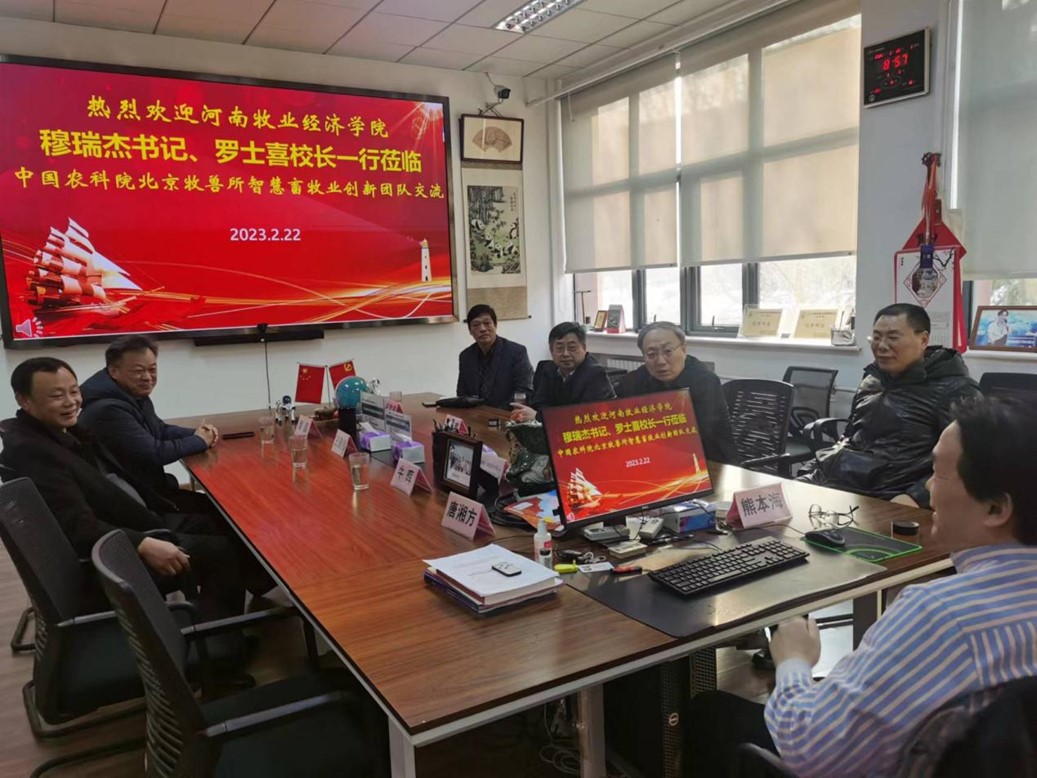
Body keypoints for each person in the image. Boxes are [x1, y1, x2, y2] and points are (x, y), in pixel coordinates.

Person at [687, 396, 1037, 776]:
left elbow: (813, 750)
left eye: (939, 474)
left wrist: (793, 661)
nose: (929, 488)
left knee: (709, 713)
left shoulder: (941, 616)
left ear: (995, 508)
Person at [0, 357, 272, 621]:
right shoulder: (36, 453)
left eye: (74, 391)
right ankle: (220, 640)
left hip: (131, 520)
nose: (71, 401)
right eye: (57, 396)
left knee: (224, 519)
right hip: (110, 556)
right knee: (221, 551)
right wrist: (142, 543)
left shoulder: (54, 432)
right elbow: (78, 525)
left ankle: (259, 585)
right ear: (25, 400)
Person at [799, 303, 980, 508]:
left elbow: (970, 460)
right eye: (876, 338)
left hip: (892, 495)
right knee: (778, 506)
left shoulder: (955, 390)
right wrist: (812, 469)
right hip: (838, 483)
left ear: (923, 340)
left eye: (893, 338)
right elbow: (850, 436)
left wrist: (916, 496)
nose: (882, 346)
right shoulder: (872, 380)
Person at [78, 335, 219, 503]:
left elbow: (159, 429)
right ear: (114, 371)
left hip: (148, 489)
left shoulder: (130, 394)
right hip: (137, 502)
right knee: (223, 510)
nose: (147, 377)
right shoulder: (108, 410)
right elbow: (155, 453)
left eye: (152, 369)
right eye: (138, 371)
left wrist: (197, 434)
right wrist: (199, 441)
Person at [615, 322, 737, 465]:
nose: (660, 361)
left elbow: (704, 435)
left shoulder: (704, 381)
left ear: (684, 349)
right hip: (658, 459)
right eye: (651, 354)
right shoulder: (637, 379)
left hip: (710, 463)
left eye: (668, 351)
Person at [511, 322, 615, 422]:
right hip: (555, 429)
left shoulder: (595, 374)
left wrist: (538, 416)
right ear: (551, 350)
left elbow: (584, 417)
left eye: (572, 348)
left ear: (584, 348)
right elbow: (539, 403)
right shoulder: (548, 369)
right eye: (560, 348)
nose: (565, 354)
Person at [456, 304, 534, 410]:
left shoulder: (517, 352)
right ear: (470, 330)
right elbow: (462, 393)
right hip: (475, 414)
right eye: (476, 325)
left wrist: (497, 412)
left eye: (487, 323)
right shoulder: (466, 356)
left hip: (507, 414)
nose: (482, 329)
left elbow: (523, 391)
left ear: (495, 325)